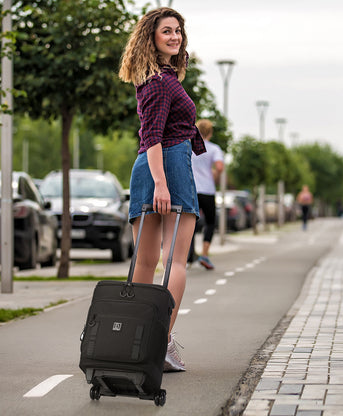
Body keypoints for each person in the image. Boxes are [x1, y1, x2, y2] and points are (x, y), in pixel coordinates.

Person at [119, 7, 206, 372]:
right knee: (176, 259)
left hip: (154, 166)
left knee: (147, 260)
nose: (175, 37)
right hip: (165, 166)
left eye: (178, 31)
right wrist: (162, 183)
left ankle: (135, 341)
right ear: (151, 38)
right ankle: (159, 344)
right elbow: (152, 135)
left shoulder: (157, 78)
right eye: (166, 31)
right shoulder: (159, 81)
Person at [188, 119, 224, 269]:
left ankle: (187, 256)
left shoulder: (189, 146)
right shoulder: (214, 149)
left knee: (190, 222)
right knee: (210, 222)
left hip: (191, 189)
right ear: (210, 132)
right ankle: (204, 254)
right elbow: (220, 167)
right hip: (208, 190)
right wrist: (214, 176)